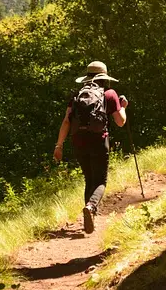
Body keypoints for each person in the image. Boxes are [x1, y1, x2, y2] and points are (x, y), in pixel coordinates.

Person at [53, 61, 128, 234]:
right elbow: (120, 122)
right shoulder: (109, 94)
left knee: (89, 179)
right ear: (104, 78)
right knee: (100, 181)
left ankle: (89, 213)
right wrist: (123, 107)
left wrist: (59, 145)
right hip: (99, 141)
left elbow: (66, 121)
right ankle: (91, 207)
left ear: (87, 77)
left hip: (78, 141)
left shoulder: (76, 95)